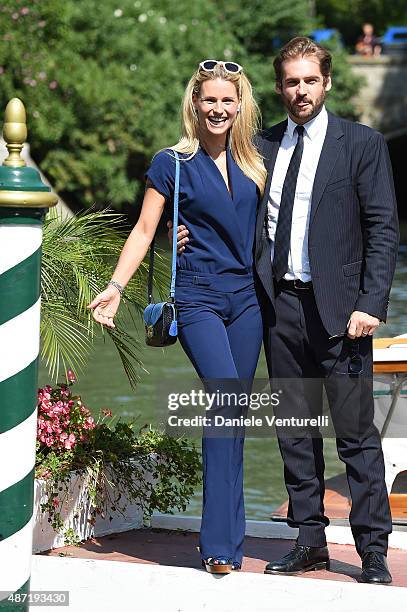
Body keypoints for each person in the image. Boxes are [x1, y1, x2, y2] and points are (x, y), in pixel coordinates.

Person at [175, 37, 399, 584]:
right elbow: (230, 209)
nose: (300, 91)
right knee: (295, 432)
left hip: (344, 312)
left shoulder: (361, 144)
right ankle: (310, 540)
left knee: (355, 435)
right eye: (291, 82)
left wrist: (371, 303)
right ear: (279, 88)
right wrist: (189, 236)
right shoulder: (262, 147)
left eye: (309, 81)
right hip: (279, 308)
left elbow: (382, 229)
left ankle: (371, 549)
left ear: (326, 84)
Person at [87, 60, 267, 574]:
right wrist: (116, 287)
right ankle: (216, 545)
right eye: (209, 99)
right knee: (225, 396)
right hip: (197, 299)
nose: (218, 108)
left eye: (227, 100)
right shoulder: (173, 163)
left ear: (240, 105)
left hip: (246, 301)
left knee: (234, 413)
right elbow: (145, 228)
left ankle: (233, 543)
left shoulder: (255, 161)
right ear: (195, 103)